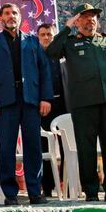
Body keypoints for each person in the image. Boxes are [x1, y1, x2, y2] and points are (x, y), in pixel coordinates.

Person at [46, 3, 106, 202]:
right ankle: (91, 191)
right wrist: (67, 27)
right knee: (87, 148)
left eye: (93, 17)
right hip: (83, 104)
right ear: (78, 21)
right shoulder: (71, 43)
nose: (90, 20)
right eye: (84, 17)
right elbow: (51, 52)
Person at [0, 3, 53, 205]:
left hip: (30, 100)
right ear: (0, 18)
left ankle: (34, 191)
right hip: (6, 102)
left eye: (14, 13)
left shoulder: (32, 41)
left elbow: (44, 70)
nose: (11, 16)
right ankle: (10, 194)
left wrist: (45, 98)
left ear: (20, 17)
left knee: (33, 146)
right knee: (6, 149)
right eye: (6, 13)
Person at [37, 23, 67, 198]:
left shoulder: (63, 55)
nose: (47, 37)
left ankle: (67, 184)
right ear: (38, 37)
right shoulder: (34, 55)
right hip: (43, 108)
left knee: (67, 148)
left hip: (63, 106)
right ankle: (46, 186)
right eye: (43, 34)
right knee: (44, 148)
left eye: (49, 34)